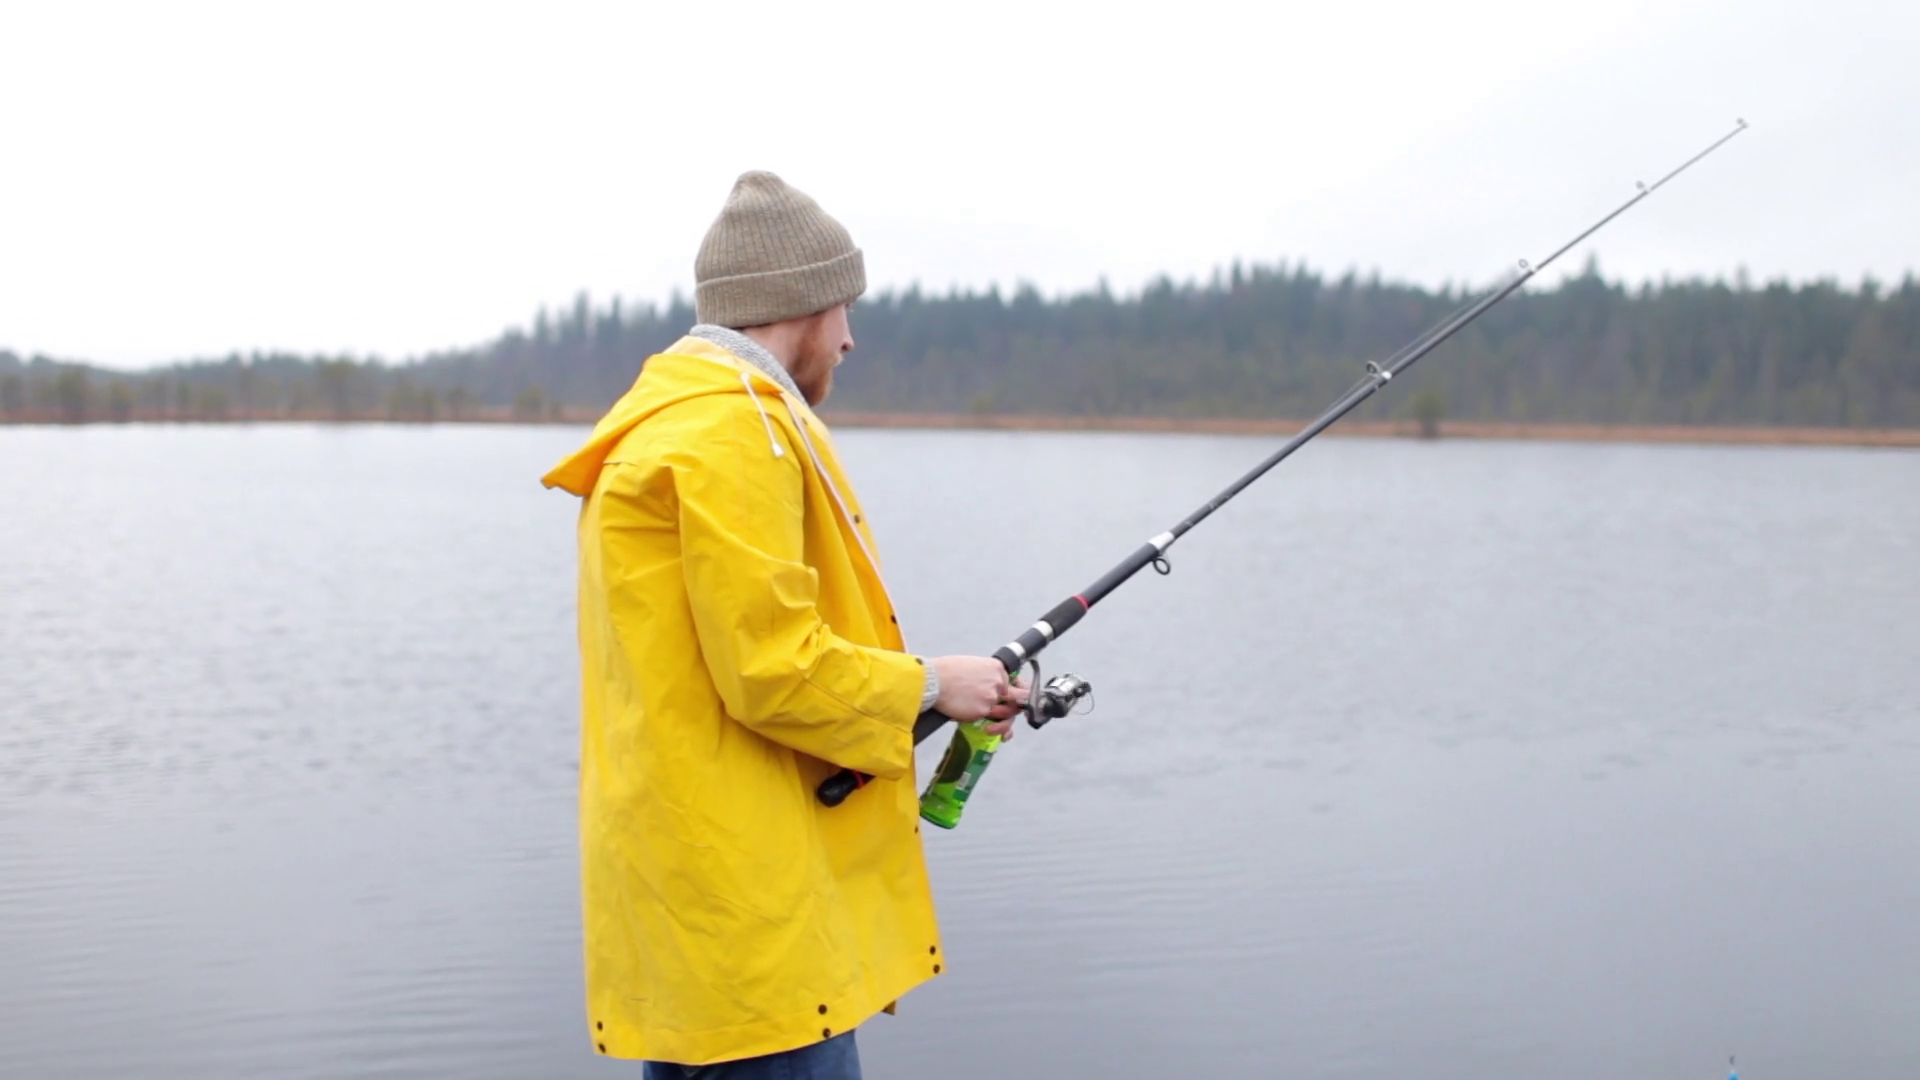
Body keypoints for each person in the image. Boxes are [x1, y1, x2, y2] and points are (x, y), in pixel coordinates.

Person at [540, 170, 1028, 1078]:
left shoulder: (668, 428)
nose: (850, 337)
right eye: (845, 308)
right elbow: (773, 669)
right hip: (756, 934)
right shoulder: (730, 436)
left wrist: (925, 693)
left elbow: (735, 663)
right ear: (801, 305)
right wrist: (933, 685)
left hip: (700, 918)